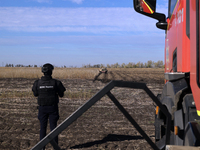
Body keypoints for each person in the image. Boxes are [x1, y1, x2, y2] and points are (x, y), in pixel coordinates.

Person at [32, 63, 66, 150]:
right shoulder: (56, 83)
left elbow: (35, 94)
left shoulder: (37, 83)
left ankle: (42, 148)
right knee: (54, 128)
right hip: (53, 108)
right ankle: (55, 148)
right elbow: (61, 94)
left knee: (42, 128)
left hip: (42, 108)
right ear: (51, 71)